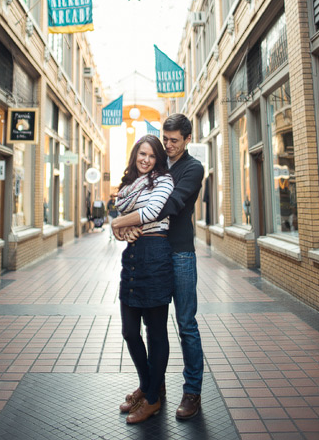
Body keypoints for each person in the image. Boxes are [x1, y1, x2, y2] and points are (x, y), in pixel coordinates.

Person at [116, 114, 205, 420]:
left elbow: (168, 205)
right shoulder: (161, 163)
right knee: (155, 328)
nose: (168, 145)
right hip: (152, 252)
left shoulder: (192, 168)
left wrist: (125, 222)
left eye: (174, 141)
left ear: (187, 139)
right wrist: (128, 229)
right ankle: (155, 387)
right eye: (164, 139)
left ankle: (192, 391)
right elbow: (132, 195)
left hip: (179, 253)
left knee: (185, 324)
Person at [110, 135, 174, 424]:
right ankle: (149, 387)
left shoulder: (164, 181)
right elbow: (126, 211)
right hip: (134, 256)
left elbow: (150, 213)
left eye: (151, 155)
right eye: (142, 154)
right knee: (129, 331)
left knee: (156, 330)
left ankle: (150, 399)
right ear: (135, 155)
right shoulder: (127, 187)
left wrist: (117, 225)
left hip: (156, 254)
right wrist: (125, 231)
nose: (146, 159)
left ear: (158, 158)